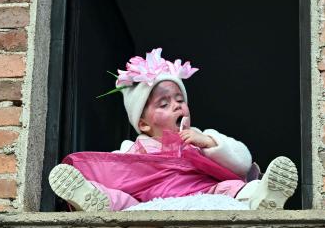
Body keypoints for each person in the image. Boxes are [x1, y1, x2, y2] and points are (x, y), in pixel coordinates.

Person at [49, 48, 298, 211]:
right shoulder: (131, 150)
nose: (177, 105)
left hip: (203, 190)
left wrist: (209, 143)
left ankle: (263, 197)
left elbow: (243, 163)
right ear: (143, 124)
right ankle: (90, 198)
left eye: (180, 99)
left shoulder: (202, 137)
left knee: (234, 190)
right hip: (148, 199)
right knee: (119, 198)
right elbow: (113, 172)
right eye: (164, 103)